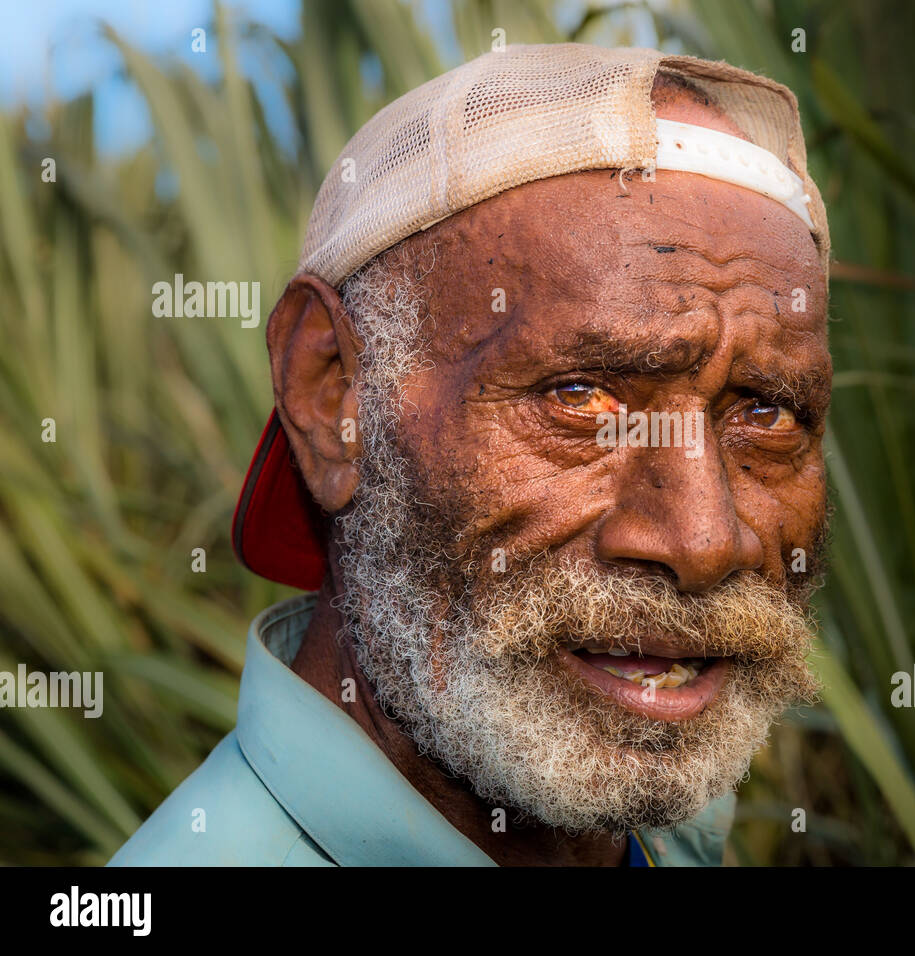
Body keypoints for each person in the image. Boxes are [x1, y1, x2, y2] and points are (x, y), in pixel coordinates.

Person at [110, 42, 832, 867]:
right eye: (582, 399)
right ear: (333, 394)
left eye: (766, 413)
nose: (704, 540)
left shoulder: (677, 841)